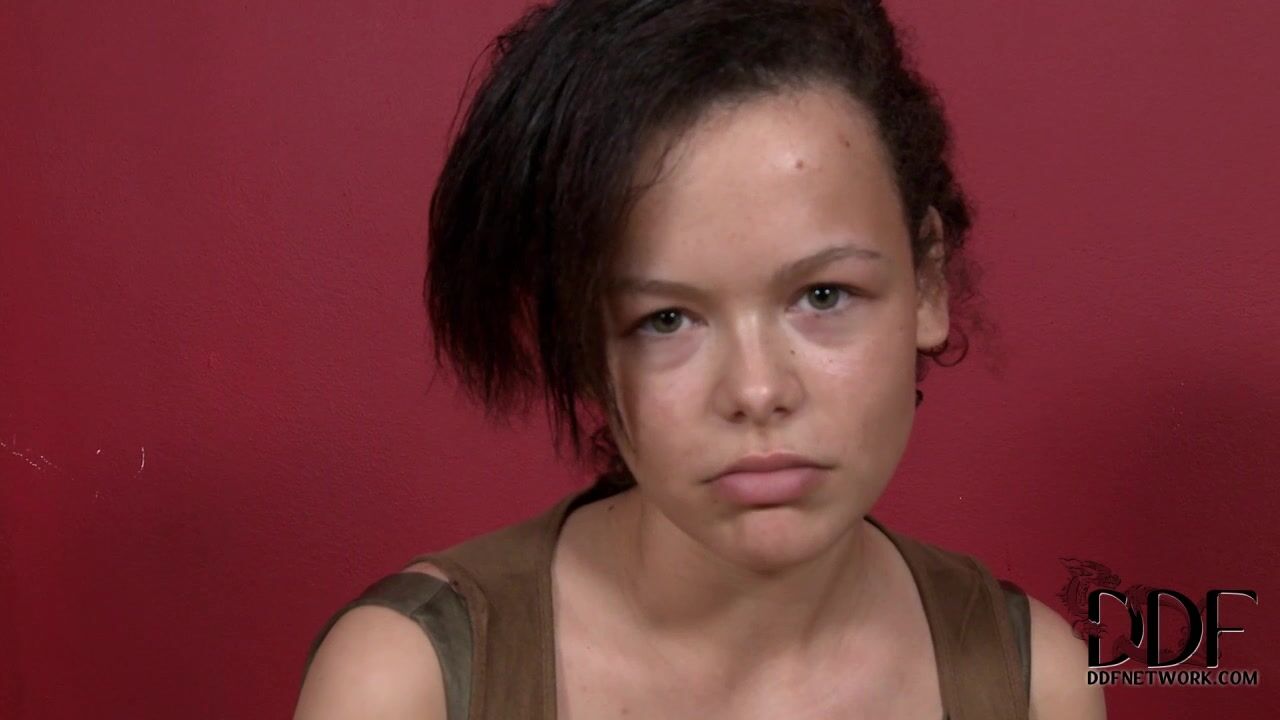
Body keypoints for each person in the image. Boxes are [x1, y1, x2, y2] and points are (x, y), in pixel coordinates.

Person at [295, 1, 1106, 718]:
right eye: (667, 319)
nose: (757, 390)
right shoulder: (407, 682)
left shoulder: (1035, 682)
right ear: (582, 338)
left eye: (823, 295)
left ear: (926, 281)